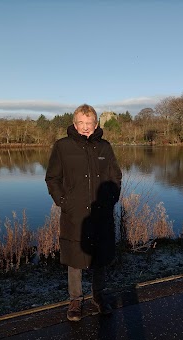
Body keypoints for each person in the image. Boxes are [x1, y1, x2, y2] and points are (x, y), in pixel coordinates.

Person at [45, 104, 122, 321]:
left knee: (100, 257)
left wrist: (110, 200)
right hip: (74, 214)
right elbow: (53, 178)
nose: (86, 127)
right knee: (75, 258)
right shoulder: (62, 147)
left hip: (101, 213)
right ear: (74, 124)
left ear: (96, 124)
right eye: (81, 123)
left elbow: (115, 176)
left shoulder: (105, 147)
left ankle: (99, 296)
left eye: (89, 123)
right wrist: (63, 202)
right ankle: (75, 301)